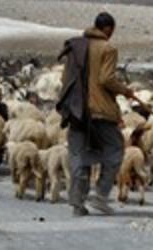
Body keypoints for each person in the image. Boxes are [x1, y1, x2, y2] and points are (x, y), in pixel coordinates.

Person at [58, 12, 135, 216]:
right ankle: (101, 195)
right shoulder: (107, 48)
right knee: (115, 149)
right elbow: (106, 79)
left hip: (76, 110)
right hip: (100, 111)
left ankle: (77, 203)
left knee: (79, 155)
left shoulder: (76, 47)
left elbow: (65, 78)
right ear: (108, 29)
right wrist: (125, 90)